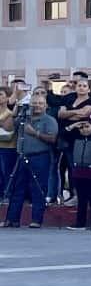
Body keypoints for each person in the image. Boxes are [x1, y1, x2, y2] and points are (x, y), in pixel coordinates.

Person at [4, 88, 58, 228]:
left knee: (38, 188)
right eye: (34, 103)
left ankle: (36, 220)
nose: (37, 106)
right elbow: (8, 127)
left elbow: (52, 139)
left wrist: (35, 133)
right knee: (17, 188)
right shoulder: (24, 118)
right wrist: (15, 110)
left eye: (40, 103)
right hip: (21, 156)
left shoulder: (49, 120)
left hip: (40, 157)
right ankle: (12, 219)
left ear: (45, 105)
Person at [66, 118, 91, 230]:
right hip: (78, 171)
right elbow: (63, 134)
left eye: (87, 126)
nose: (84, 129)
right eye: (82, 127)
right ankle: (80, 223)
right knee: (81, 198)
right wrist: (74, 125)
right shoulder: (75, 138)